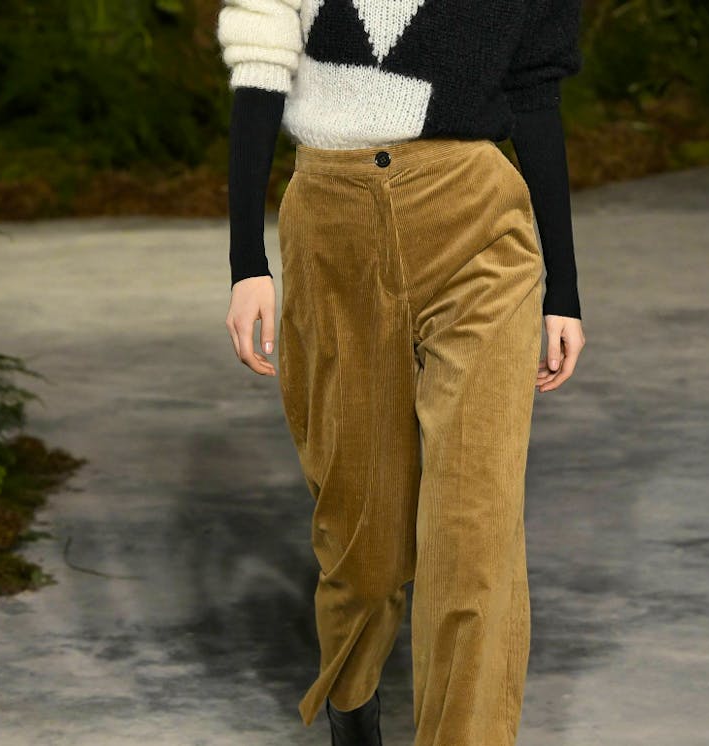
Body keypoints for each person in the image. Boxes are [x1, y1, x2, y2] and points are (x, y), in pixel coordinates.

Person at [215, 2, 587, 745]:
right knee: (366, 546)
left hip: (480, 225)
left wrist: (565, 291)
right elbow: (260, 69)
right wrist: (246, 262)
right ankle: (352, 704)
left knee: (474, 530)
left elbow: (534, 97)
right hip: (334, 229)